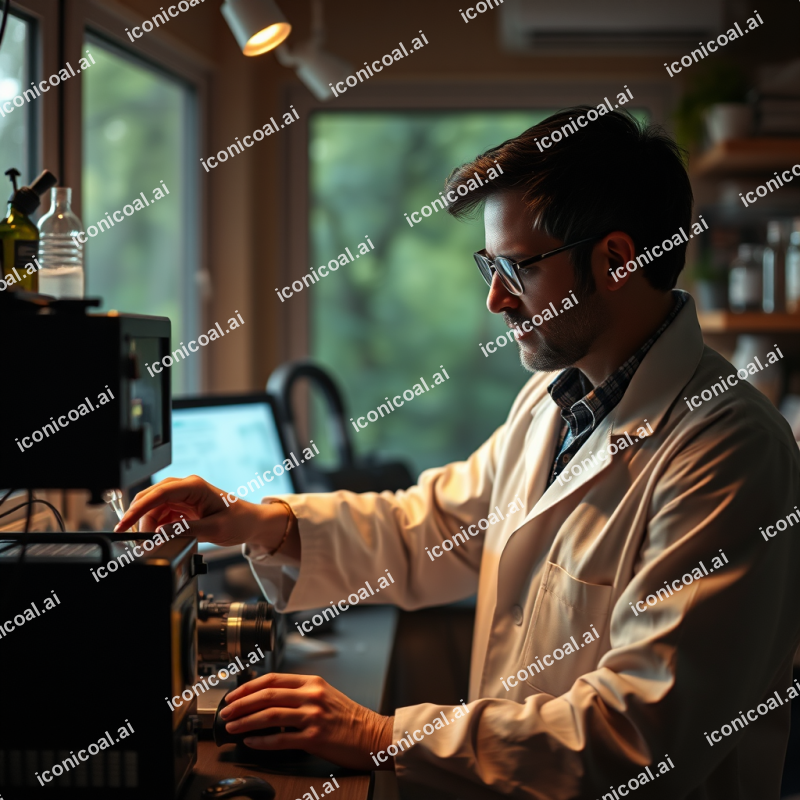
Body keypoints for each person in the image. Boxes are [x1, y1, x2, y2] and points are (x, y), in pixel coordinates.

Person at [117, 108, 800, 799]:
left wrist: (379, 735)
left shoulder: (728, 452)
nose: (495, 298)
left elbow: (637, 736)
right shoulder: (556, 402)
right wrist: (254, 521)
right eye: (488, 266)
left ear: (618, 260)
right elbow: (437, 526)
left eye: (515, 268)